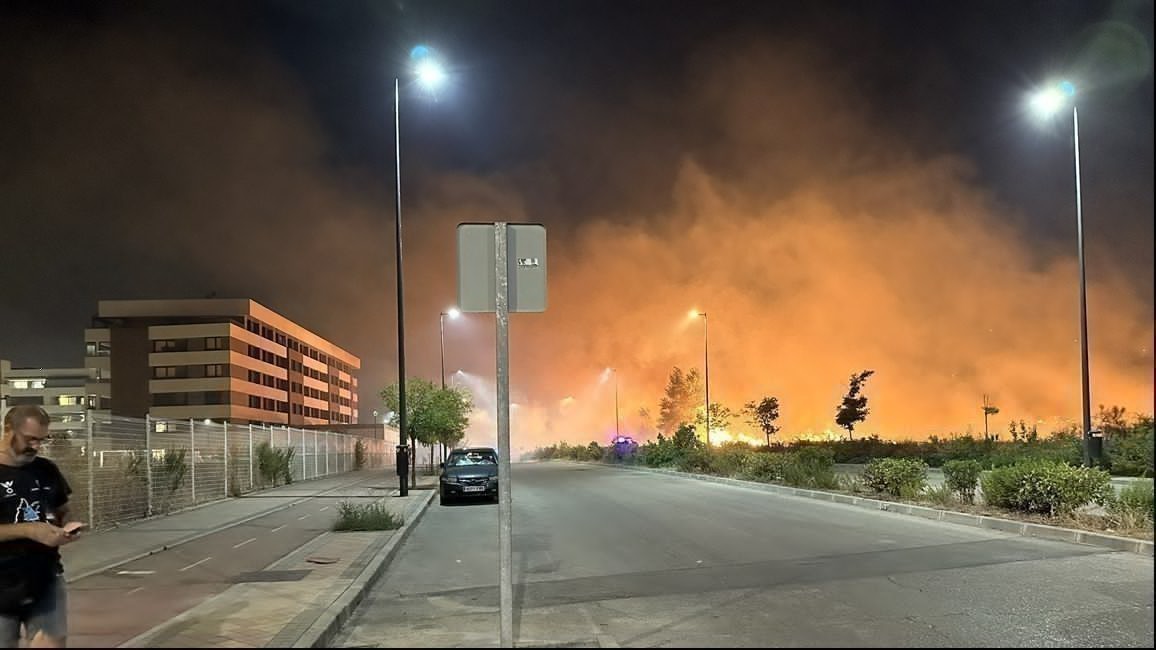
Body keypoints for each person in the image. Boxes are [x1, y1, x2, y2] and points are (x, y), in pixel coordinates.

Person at [0, 405, 78, 648]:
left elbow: (62, 509)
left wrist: (67, 529)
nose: (36, 446)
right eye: (30, 439)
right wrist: (29, 530)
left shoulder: (46, 470)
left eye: (41, 440)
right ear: (7, 430)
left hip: (45, 579)